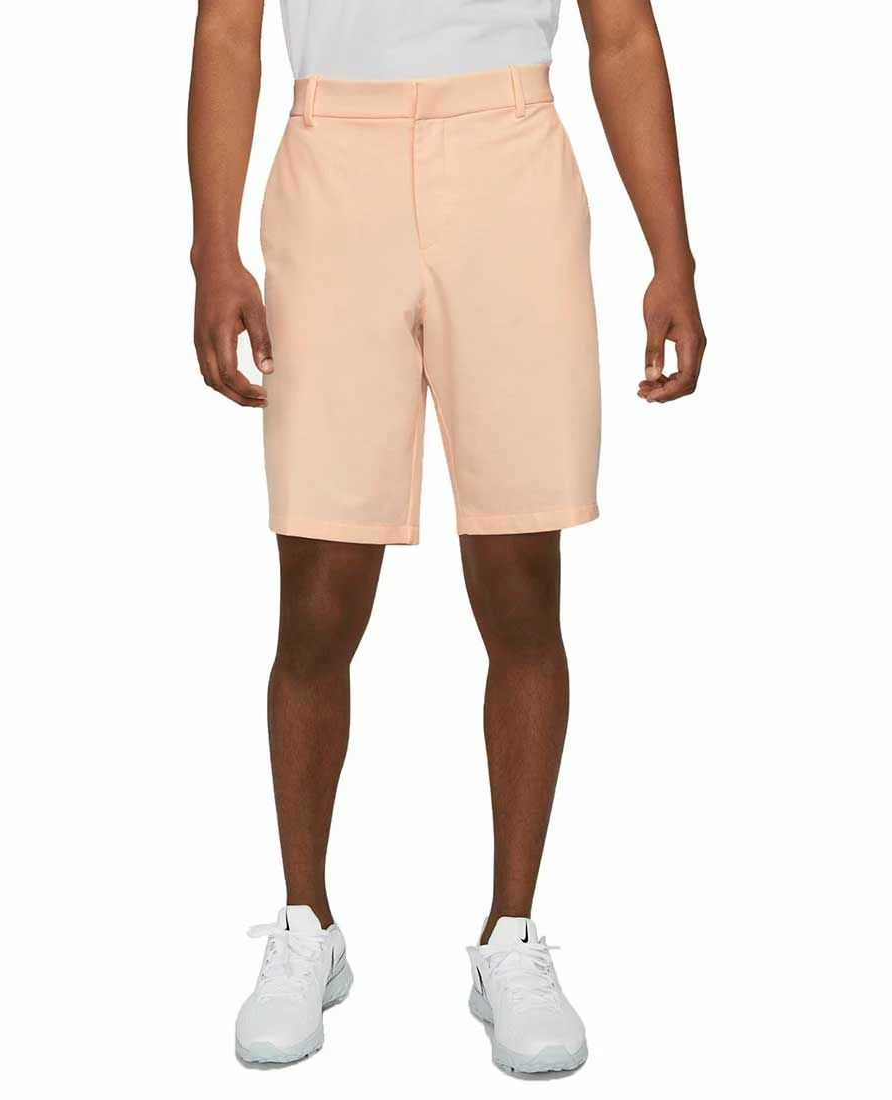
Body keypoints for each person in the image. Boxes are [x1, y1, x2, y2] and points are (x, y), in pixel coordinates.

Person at [188, 0, 705, 1075]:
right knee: (318, 583)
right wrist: (212, 252)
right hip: (332, 161)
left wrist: (674, 258)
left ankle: (510, 934)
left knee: (518, 577)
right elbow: (228, 27)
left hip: (509, 157)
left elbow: (620, 33)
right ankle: (305, 924)